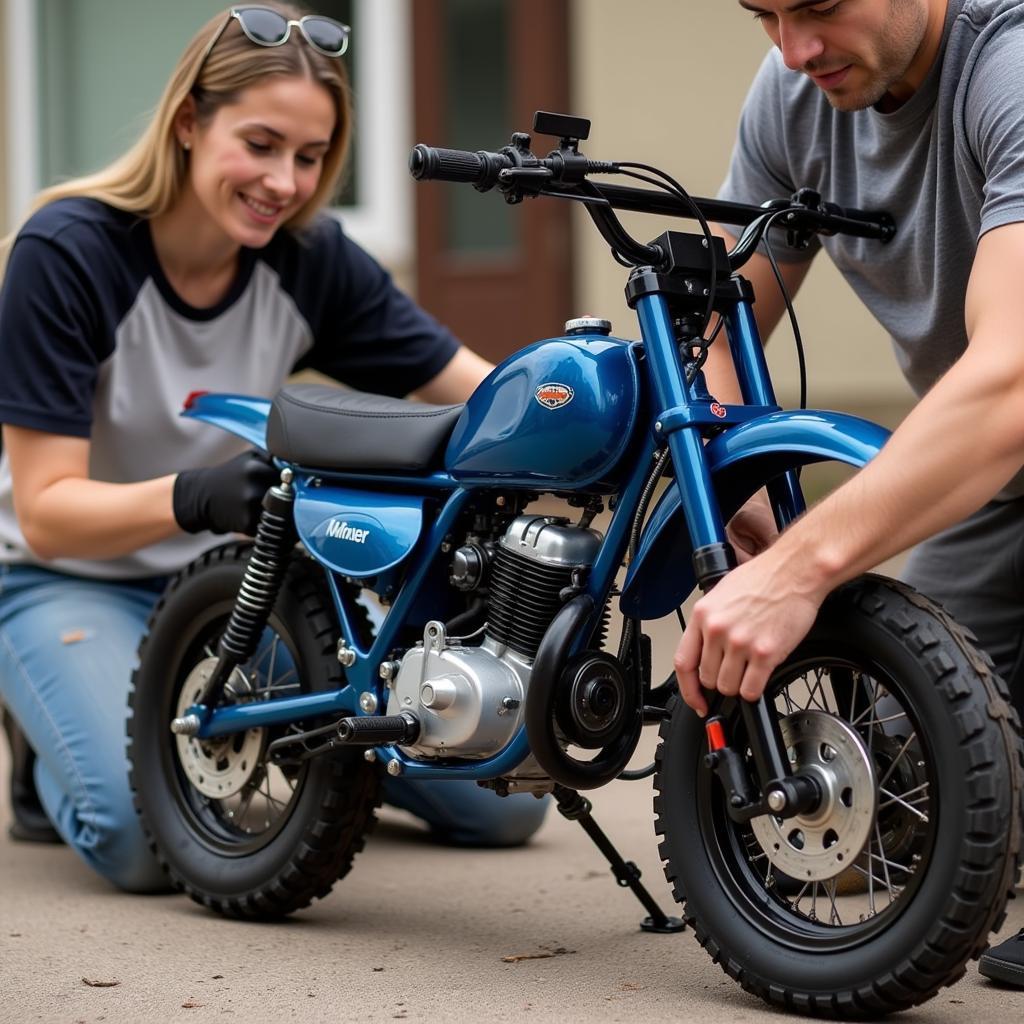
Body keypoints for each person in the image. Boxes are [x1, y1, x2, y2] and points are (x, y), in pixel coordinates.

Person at [0, 3, 547, 893]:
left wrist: (590, 417)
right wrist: (197, 494)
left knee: (502, 806)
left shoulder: (310, 259)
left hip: (235, 594)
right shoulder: (67, 253)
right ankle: (44, 764)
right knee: (145, 843)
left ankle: (330, 766)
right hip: (70, 582)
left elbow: (480, 392)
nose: (284, 181)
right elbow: (49, 512)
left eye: (309, 156)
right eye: (259, 143)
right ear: (188, 123)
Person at [672, 0, 1024, 985]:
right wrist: (731, 491)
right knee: (899, 787)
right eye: (764, 13)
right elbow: (712, 336)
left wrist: (800, 568)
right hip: (998, 486)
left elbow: (1011, 380)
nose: (793, 50)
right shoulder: (794, 96)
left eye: (820, 5)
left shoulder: (1009, 71)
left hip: (1004, 427)